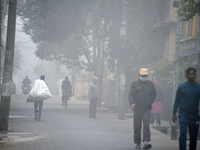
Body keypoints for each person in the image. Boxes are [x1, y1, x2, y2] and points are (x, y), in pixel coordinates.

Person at [172, 67, 200, 150]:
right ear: (186, 76)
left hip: (194, 115)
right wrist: (174, 113)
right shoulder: (182, 87)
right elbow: (177, 100)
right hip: (183, 114)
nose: (192, 76)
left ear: (196, 75)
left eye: (193, 74)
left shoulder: (198, 87)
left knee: (193, 136)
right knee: (183, 133)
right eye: (190, 74)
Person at [128, 68, 156, 149]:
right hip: (137, 108)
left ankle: (146, 142)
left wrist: (150, 102)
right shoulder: (134, 84)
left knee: (146, 124)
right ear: (139, 75)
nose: (144, 77)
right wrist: (132, 103)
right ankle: (138, 143)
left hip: (147, 108)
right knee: (137, 125)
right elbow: (130, 94)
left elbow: (153, 94)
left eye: (145, 75)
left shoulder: (150, 84)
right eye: (142, 75)